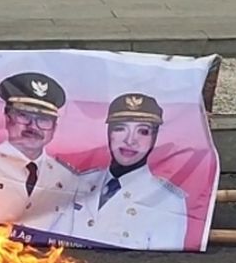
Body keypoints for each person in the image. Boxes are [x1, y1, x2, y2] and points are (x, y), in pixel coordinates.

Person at [65, 93, 189, 250]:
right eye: (120, 128)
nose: (130, 140)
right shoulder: (79, 183)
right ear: (109, 133)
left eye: (143, 131)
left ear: (155, 137)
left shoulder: (168, 200)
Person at [0, 72, 80, 230]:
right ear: (7, 119)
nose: (33, 126)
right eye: (23, 115)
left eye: (43, 119)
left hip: (47, 254)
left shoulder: (66, 177)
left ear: (54, 128)